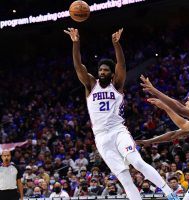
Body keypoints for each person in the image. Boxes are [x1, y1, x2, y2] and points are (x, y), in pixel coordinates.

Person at [64, 28, 178, 200]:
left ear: (111, 74)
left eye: (105, 70)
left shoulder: (116, 85)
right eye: (100, 70)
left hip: (118, 131)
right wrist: (75, 43)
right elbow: (78, 65)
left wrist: (117, 44)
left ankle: (170, 193)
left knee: (137, 162)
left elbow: (122, 66)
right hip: (101, 137)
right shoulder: (90, 84)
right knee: (124, 178)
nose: (102, 72)